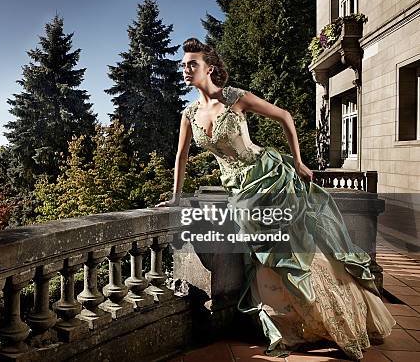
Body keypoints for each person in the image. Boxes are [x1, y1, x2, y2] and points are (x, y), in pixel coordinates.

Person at [156, 37, 395, 359]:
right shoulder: (189, 114)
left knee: (293, 252)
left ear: (209, 68)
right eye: (183, 65)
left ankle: (340, 318)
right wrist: (175, 198)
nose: (185, 70)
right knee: (266, 258)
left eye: (191, 64)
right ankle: (298, 324)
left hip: (270, 178)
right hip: (240, 191)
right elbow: (181, 157)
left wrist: (298, 161)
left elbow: (285, 116)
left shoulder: (236, 98)